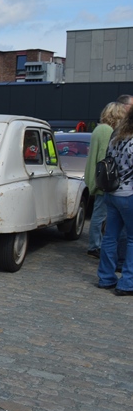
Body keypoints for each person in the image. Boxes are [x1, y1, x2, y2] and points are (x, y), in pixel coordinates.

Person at [96, 108, 133, 294]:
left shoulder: (116, 138)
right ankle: (127, 282)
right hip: (129, 194)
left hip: (112, 193)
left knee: (110, 237)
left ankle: (105, 277)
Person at [85, 101, 127, 257]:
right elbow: (105, 156)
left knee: (99, 213)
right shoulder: (106, 130)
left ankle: (95, 244)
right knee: (100, 214)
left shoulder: (100, 128)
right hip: (103, 180)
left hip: (98, 178)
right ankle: (94, 245)